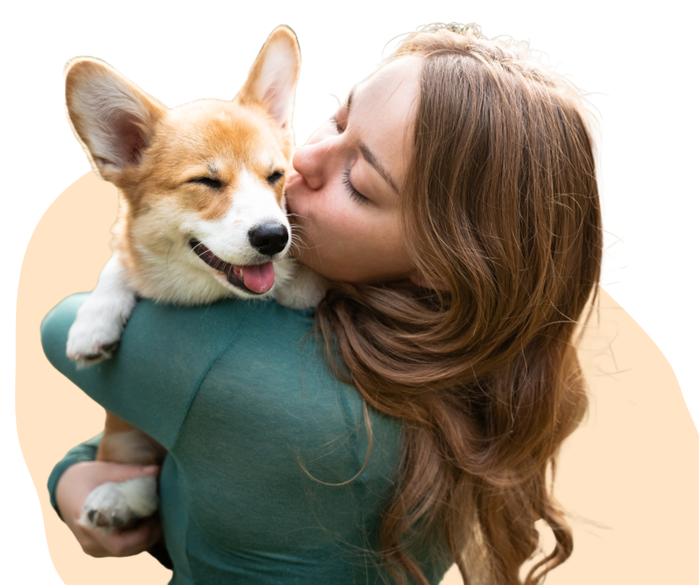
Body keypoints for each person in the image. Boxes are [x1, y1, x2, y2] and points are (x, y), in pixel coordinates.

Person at [42, 23, 609, 585]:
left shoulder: (225, 366)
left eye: (359, 183)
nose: (296, 167)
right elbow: (186, 419)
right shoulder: (516, 386)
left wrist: (70, 477)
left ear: (442, 265)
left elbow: (63, 330)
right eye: (336, 118)